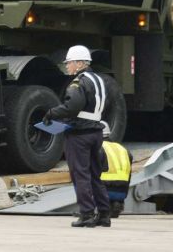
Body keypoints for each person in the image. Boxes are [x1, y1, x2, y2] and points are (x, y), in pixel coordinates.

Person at [43, 45, 118, 228]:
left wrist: (52, 113)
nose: (67, 66)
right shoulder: (99, 80)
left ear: (78, 63)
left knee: (80, 175)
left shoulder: (79, 82)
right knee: (95, 175)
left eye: (69, 63)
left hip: (80, 135)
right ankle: (103, 214)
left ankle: (86, 214)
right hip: (96, 132)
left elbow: (72, 106)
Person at [99, 121, 132, 218]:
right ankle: (117, 203)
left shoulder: (98, 148)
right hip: (122, 191)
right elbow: (129, 175)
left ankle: (91, 208)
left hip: (103, 190)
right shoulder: (123, 149)